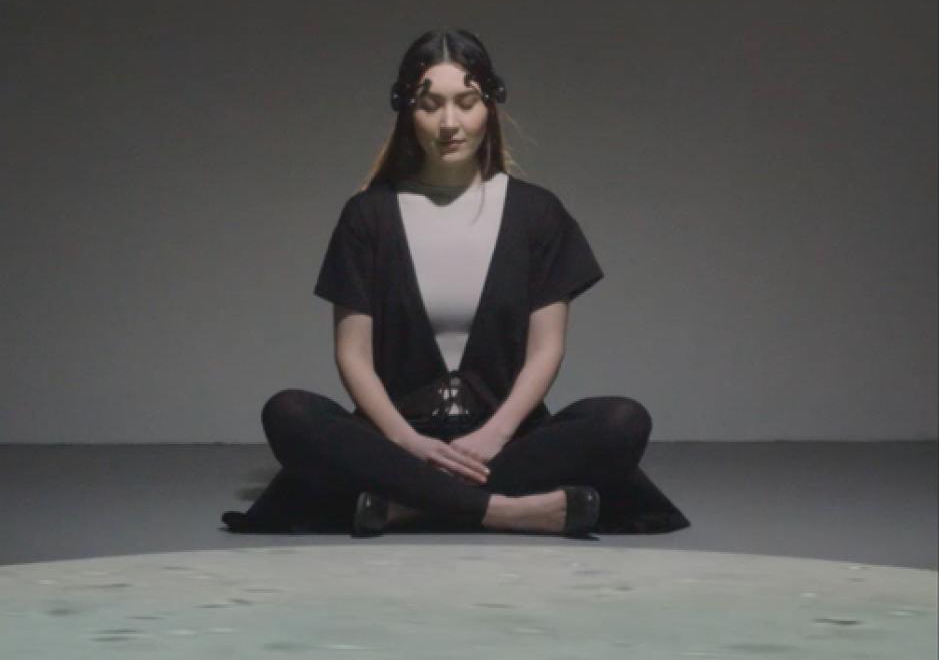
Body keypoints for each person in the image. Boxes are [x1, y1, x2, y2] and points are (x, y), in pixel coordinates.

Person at [223, 28, 690, 537]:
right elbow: (352, 356)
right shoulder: (368, 216)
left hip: (504, 442)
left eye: (466, 103)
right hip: (392, 439)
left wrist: (495, 434)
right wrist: (406, 442)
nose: (449, 123)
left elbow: (545, 351)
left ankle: (404, 506)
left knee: (621, 422)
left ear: (490, 106)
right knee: (289, 413)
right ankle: (509, 511)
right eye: (430, 105)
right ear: (407, 112)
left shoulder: (537, 214)